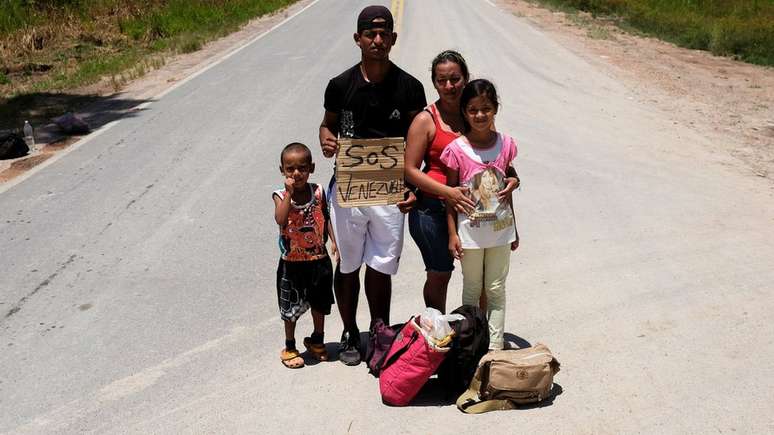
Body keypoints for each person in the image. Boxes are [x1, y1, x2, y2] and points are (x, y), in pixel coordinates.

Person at [319, 5, 427, 366]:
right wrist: (327, 140)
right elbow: (327, 125)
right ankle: (350, 331)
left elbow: (419, 141)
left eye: (384, 34)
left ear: (394, 39)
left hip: (390, 193)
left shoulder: (410, 87)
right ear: (358, 39)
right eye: (370, 34)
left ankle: (379, 330)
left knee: (381, 264)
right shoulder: (340, 85)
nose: (377, 40)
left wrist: (415, 185)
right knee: (349, 263)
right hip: (349, 191)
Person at [405, 51, 518, 313]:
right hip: (432, 210)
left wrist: (514, 179)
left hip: (479, 213)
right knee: (440, 273)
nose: (449, 86)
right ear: (434, 83)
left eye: (455, 79)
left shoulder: (476, 113)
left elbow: (499, 160)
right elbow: (410, 170)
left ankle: (479, 334)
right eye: (442, 80)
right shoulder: (426, 120)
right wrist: (448, 192)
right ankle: (437, 335)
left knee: (481, 278)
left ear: (466, 78)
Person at [441, 79, 520, 350]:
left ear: (495, 109)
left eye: (486, 108)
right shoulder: (457, 150)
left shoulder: (506, 145)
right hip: (470, 235)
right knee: (473, 290)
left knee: (496, 289)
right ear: (465, 112)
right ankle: (471, 346)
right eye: (473, 109)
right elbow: (451, 196)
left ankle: (494, 347)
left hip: (500, 233)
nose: (480, 115)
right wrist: (452, 233)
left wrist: (515, 229)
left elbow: (507, 191)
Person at [273, 142, 335, 368]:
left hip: (318, 260)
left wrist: (334, 242)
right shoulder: (280, 195)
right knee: (290, 307)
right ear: (282, 170)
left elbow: (325, 218)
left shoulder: (318, 191)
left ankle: (317, 339)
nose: (296, 173)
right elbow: (280, 219)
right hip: (292, 263)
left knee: (320, 303)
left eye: (302, 168)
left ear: (312, 167)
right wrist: (289, 194)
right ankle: (290, 346)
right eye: (290, 169)